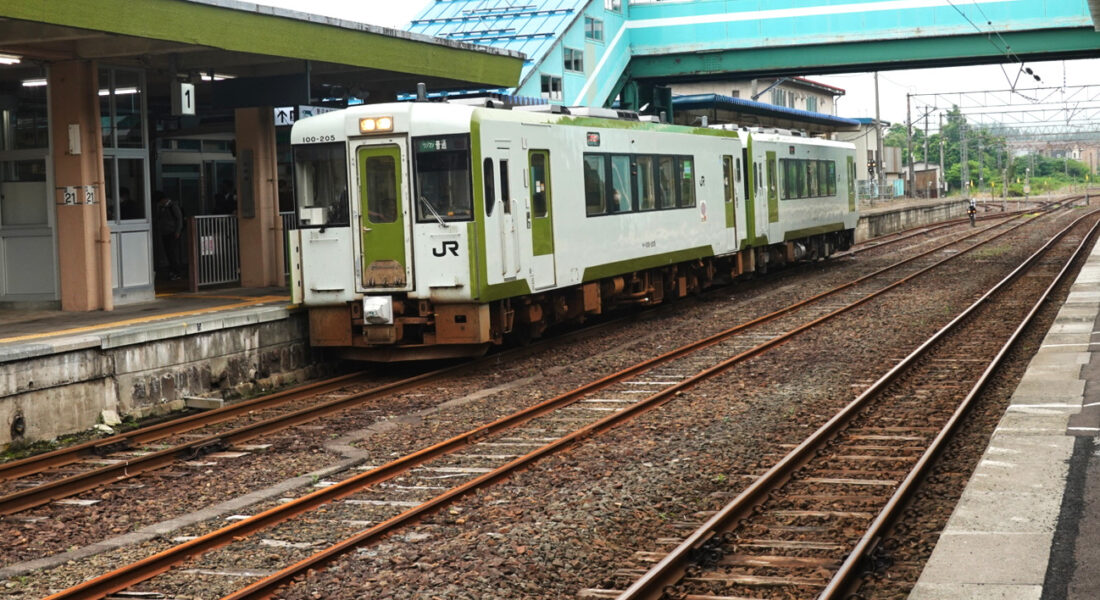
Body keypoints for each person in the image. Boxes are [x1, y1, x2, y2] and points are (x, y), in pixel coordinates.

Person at [155, 190, 184, 280]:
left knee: (172, 253)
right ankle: (173, 271)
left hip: (172, 232)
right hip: (165, 232)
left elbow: (179, 219)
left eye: (160, 201)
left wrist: (178, 231)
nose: (159, 203)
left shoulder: (173, 206)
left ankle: (177, 272)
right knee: (168, 253)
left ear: (163, 199)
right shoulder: (161, 207)